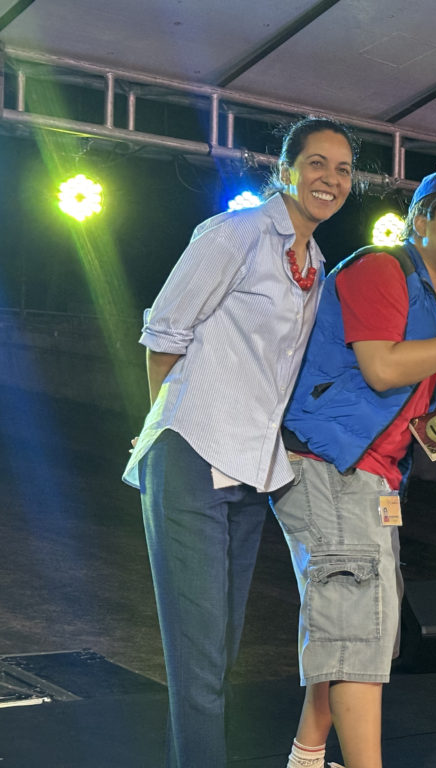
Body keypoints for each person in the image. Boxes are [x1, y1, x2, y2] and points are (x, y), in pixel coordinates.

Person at [122, 116, 358, 768]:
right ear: (285, 169)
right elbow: (164, 335)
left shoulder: (315, 265)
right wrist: (174, 421)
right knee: (200, 660)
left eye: (342, 169)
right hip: (193, 452)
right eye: (316, 163)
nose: (330, 179)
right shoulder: (236, 234)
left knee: (219, 653)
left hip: (253, 472)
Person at [271, 164, 436, 768]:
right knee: (359, 634)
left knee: (361, 629)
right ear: (420, 221)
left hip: (372, 476)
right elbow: (382, 369)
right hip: (330, 467)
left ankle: (307, 758)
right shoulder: (383, 268)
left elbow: (403, 404)